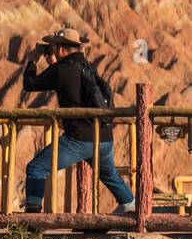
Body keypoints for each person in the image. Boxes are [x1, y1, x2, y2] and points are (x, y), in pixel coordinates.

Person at [21, 28, 135, 213]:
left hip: (79, 140)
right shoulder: (89, 67)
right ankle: (134, 211)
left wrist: (33, 59)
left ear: (61, 50)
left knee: (36, 168)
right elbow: (69, 81)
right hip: (104, 138)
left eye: (54, 46)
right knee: (110, 176)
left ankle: (32, 221)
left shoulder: (61, 70)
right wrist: (53, 63)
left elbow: (30, 84)